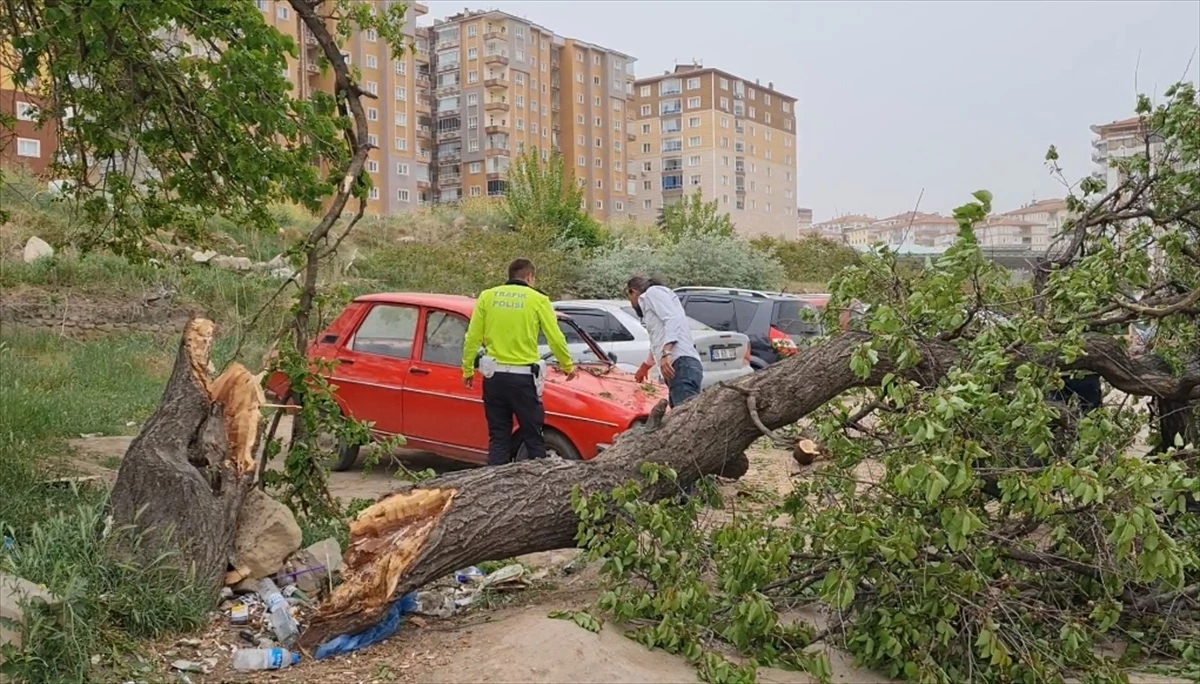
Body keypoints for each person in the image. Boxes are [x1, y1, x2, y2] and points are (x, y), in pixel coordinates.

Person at [462, 258, 577, 465]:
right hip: (523, 379)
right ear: (530, 277)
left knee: (498, 438)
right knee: (533, 437)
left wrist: (468, 369)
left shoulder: (488, 297)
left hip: (494, 378)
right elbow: (555, 338)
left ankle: (494, 483)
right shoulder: (538, 300)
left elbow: (472, 337)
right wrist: (567, 365)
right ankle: (538, 484)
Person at [626, 275, 704, 408]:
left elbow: (672, 319)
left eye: (629, 298)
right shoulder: (652, 303)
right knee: (678, 418)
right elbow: (658, 340)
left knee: (684, 421)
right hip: (678, 367)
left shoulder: (653, 292)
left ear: (633, 292)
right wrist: (646, 366)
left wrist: (666, 353)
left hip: (681, 364)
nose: (631, 304)